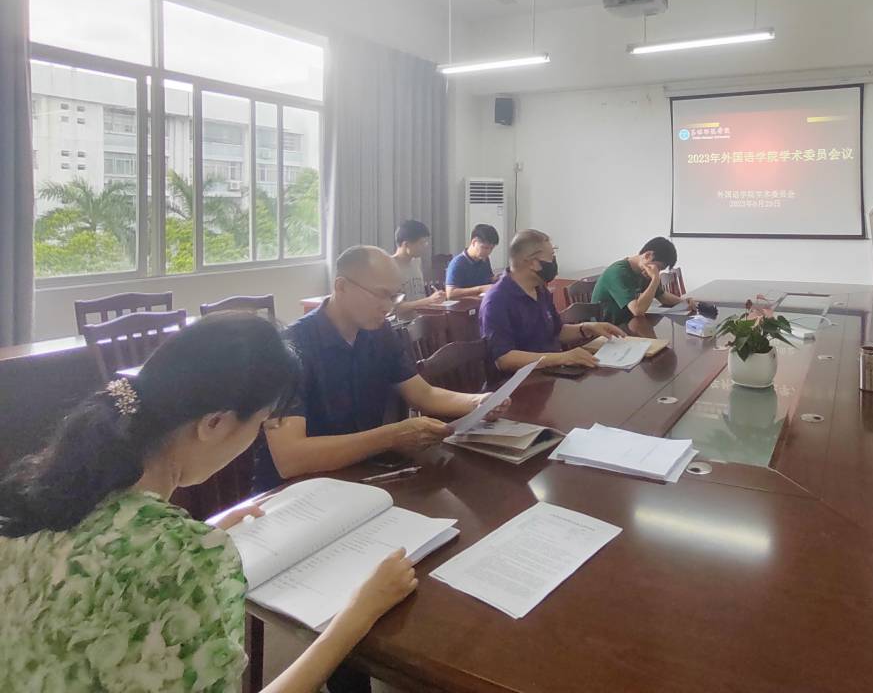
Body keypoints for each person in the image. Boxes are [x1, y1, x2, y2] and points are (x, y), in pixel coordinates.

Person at [0, 314, 418, 693]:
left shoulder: (42, 493)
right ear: (214, 423)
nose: (256, 437)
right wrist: (357, 614)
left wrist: (203, 533)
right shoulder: (185, 555)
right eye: (260, 422)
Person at [255, 245, 506, 493]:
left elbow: (423, 394)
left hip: (361, 476)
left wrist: (478, 402)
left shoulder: (380, 332)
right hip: (298, 491)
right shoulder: (293, 347)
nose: (388, 307)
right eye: (380, 295)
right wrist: (390, 437)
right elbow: (291, 458)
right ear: (341, 287)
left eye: (394, 297)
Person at [479, 229, 625, 375]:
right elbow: (504, 359)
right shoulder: (497, 300)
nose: (554, 262)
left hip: (550, 373)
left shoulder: (540, 289)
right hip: (519, 382)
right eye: (551, 257)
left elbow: (556, 331)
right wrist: (562, 358)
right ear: (533, 263)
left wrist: (587, 328)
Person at [591, 236, 698, 326]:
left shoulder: (643, 272)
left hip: (628, 325)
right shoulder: (618, 272)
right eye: (658, 267)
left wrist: (684, 302)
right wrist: (655, 279)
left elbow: (662, 296)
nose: (657, 272)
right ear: (647, 255)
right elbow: (637, 310)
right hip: (607, 330)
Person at [390, 219, 446, 318]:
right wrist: (429, 300)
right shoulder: (389, 266)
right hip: (403, 324)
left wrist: (435, 299)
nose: (426, 246)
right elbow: (394, 308)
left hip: (421, 319)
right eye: (421, 243)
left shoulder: (416, 261)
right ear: (406, 244)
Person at [445, 223, 499, 298]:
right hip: (465, 304)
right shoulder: (458, 263)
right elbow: (450, 293)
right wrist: (480, 289)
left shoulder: (485, 259)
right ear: (474, 242)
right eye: (485, 248)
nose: (488, 252)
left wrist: (496, 279)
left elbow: (488, 279)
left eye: (491, 248)